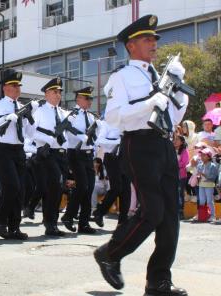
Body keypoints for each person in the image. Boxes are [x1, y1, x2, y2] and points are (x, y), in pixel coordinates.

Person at [95, 15, 189, 296]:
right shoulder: (121, 77)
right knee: (152, 211)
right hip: (139, 145)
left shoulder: (158, 76)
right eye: (148, 39)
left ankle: (158, 281)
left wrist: (178, 89)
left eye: (155, 39)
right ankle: (110, 253)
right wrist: (148, 102)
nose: (154, 44)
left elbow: (173, 116)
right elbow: (113, 117)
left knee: (171, 216)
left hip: (164, 145)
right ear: (131, 46)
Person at [0, 68, 39, 240]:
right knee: (12, 187)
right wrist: (5, 118)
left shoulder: (22, 107)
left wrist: (30, 116)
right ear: (5, 88)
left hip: (18, 151)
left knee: (21, 190)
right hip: (3, 150)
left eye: (18, 85)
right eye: (13, 85)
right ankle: (0, 221)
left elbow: (30, 134)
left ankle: (15, 227)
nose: (17, 88)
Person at [30, 77, 69, 236]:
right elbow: (31, 132)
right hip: (48, 154)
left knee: (58, 189)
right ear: (46, 94)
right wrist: (47, 139)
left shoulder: (63, 113)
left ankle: (52, 223)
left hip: (61, 155)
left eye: (59, 92)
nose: (58, 94)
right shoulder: (39, 111)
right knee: (56, 184)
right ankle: (49, 223)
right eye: (54, 92)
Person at [61, 86, 100, 234]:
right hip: (75, 153)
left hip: (88, 155)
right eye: (87, 98)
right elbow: (67, 130)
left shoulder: (91, 117)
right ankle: (68, 216)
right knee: (82, 186)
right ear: (78, 99)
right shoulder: (71, 114)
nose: (90, 101)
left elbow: (95, 136)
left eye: (91, 98)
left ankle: (84, 223)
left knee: (89, 188)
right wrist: (80, 135)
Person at [196, 148, 218, 222]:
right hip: (201, 185)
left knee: (209, 201)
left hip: (209, 185)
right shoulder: (199, 165)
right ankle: (202, 214)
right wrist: (198, 177)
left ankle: (213, 215)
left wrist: (203, 174)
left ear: (209, 157)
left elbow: (213, 177)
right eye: (201, 155)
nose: (202, 157)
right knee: (201, 201)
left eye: (204, 155)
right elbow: (198, 175)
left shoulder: (213, 166)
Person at [174, 135, 189, 219]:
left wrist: (173, 165)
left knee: (180, 193)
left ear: (182, 142)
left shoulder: (184, 151)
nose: (175, 141)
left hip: (181, 175)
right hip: (171, 175)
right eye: (174, 139)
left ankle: (180, 211)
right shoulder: (171, 150)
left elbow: (184, 163)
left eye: (177, 139)